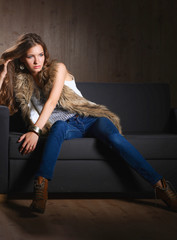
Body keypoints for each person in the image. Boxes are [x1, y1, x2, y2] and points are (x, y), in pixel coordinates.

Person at [0, 33, 177, 214]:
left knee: (114, 139)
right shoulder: (23, 83)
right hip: (66, 126)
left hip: (88, 118)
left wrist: (35, 131)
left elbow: (51, 102)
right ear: (22, 58)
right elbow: (2, 101)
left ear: (45, 54)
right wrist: (4, 70)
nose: (37, 60)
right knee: (58, 126)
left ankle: (162, 188)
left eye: (41, 54)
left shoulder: (57, 68)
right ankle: (40, 189)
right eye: (30, 56)